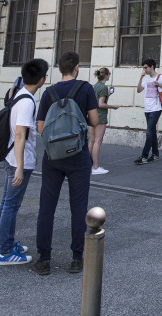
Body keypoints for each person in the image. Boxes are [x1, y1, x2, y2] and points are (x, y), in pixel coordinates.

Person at [33, 51, 98, 276]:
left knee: (47, 208)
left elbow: (41, 127)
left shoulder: (48, 92)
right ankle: (77, 258)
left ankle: (44, 260)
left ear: (59, 69)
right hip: (78, 155)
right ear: (77, 67)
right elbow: (95, 121)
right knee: (78, 207)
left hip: (53, 157)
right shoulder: (86, 88)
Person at [0, 57, 47, 266]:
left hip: (14, 157)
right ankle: (5, 252)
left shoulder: (20, 95)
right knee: (11, 205)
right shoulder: (27, 101)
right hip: (18, 161)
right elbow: (19, 134)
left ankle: (2, 243)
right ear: (41, 79)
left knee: (6, 203)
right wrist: (19, 167)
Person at [134, 59, 162, 165]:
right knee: (152, 132)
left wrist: (159, 84)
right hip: (147, 109)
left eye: (146, 67)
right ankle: (155, 155)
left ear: (152, 67)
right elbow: (139, 90)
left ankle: (144, 156)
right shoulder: (146, 79)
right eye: (143, 68)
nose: (144, 69)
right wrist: (141, 77)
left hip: (156, 108)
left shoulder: (161, 77)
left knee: (149, 132)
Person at [90, 67, 120, 175]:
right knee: (98, 141)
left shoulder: (96, 86)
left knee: (93, 141)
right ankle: (95, 166)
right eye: (109, 74)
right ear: (106, 75)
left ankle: (89, 164)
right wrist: (113, 106)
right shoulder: (103, 87)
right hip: (100, 116)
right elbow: (101, 104)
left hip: (93, 115)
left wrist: (108, 95)